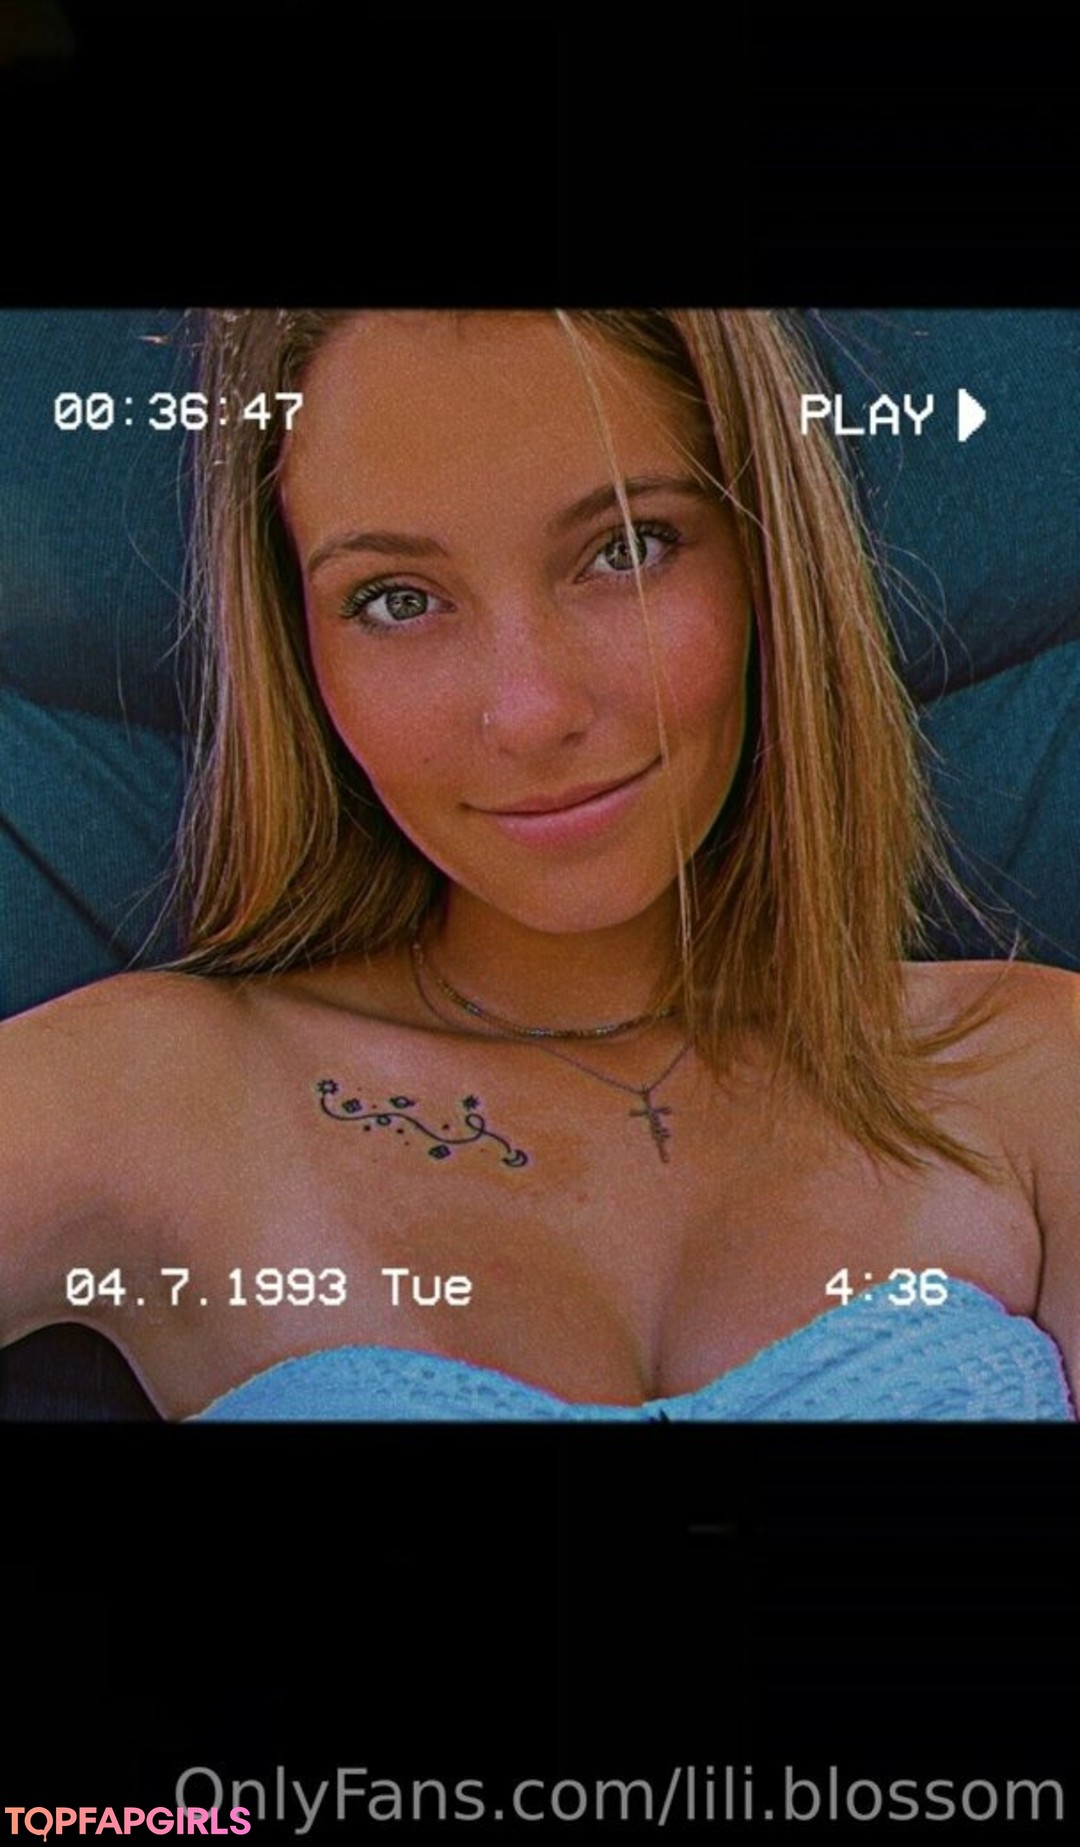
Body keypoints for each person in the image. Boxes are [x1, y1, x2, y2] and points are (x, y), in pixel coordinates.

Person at [1, 307, 1078, 1420]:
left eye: (626, 548)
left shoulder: (1036, 1074)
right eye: (397, 600)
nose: (530, 712)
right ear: (299, 645)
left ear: (768, 562)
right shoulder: (150, 1095)